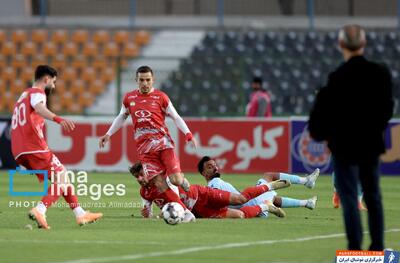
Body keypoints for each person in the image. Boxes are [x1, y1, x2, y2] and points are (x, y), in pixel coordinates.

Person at [308, 25, 393, 250]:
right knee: (373, 196)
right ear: (363, 44)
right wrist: (375, 129)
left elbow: (318, 122)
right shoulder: (380, 73)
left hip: (344, 147)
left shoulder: (336, 78)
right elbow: (387, 108)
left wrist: (328, 135)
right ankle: (377, 248)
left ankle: (355, 249)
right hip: (370, 144)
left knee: (348, 199)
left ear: (341, 44)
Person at [98, 65, 197, 220]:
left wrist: (188, 134)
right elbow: (121, 117)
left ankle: (183, 180)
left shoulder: (161, 97)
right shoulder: (129, 98)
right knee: (158, 183)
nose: (145, 83)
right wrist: (108, 134)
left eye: (148, 80)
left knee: (175, 180)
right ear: (136, 80)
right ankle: (185, 213)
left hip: (164, 145)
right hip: (145, 150)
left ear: (153, 80)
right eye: (142, 80)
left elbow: (176, 117)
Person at [10, 65, 103, 229]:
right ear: (46, 79)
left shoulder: (22, 96)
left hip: (19, 150)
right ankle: (40, 209)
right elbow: (39, 108)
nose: (53, 86)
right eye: (53, 82)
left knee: (62, 177)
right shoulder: (37, 93)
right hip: (33, 146)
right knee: (62, 176)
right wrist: (59, 119)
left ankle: (80, 214)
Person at [129, 162, 289, 219]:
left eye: (141, 174)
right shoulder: (144, 193)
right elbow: (147, 214)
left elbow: (179, 178)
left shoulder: (163, 180)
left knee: (240, 199)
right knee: (240, 215)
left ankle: (269, 186)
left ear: (148, 171)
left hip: (203, 195)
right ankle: (266, 206)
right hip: (199, 211)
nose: (140, 179)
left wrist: (184, 182)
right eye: (137, 177)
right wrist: (148, 215)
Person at [197, 156, 319, 217]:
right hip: (251, 204)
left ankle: (307, 203)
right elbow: (216, 199)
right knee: (269, 176)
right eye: (209, 167)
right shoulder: (214, 183)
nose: (215, 168)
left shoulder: (215, 183)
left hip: (252, 207)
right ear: (203, 173)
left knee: (273, 199)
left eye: (214, 165)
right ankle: (306, 181)